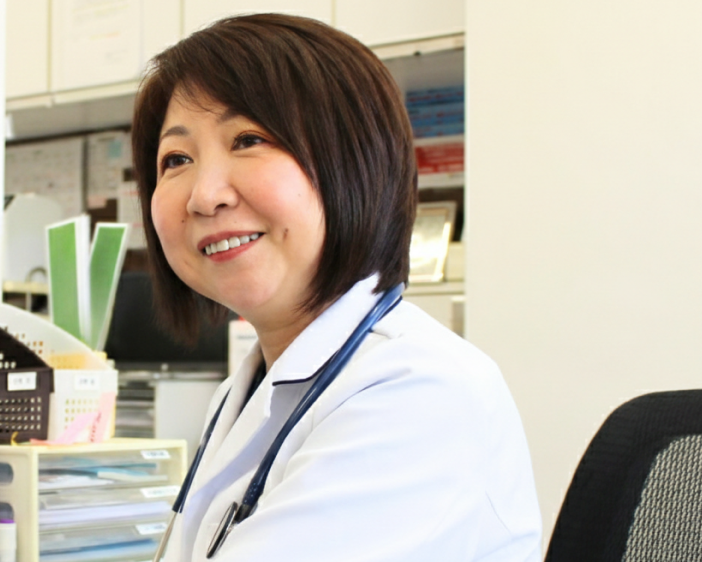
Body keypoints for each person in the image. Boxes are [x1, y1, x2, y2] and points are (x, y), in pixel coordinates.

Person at [130, 13, 542, 562]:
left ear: (354, 162)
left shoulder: (420, 393)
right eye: (177, 159)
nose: (204, 195)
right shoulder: (245, 393)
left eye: (248, 139)